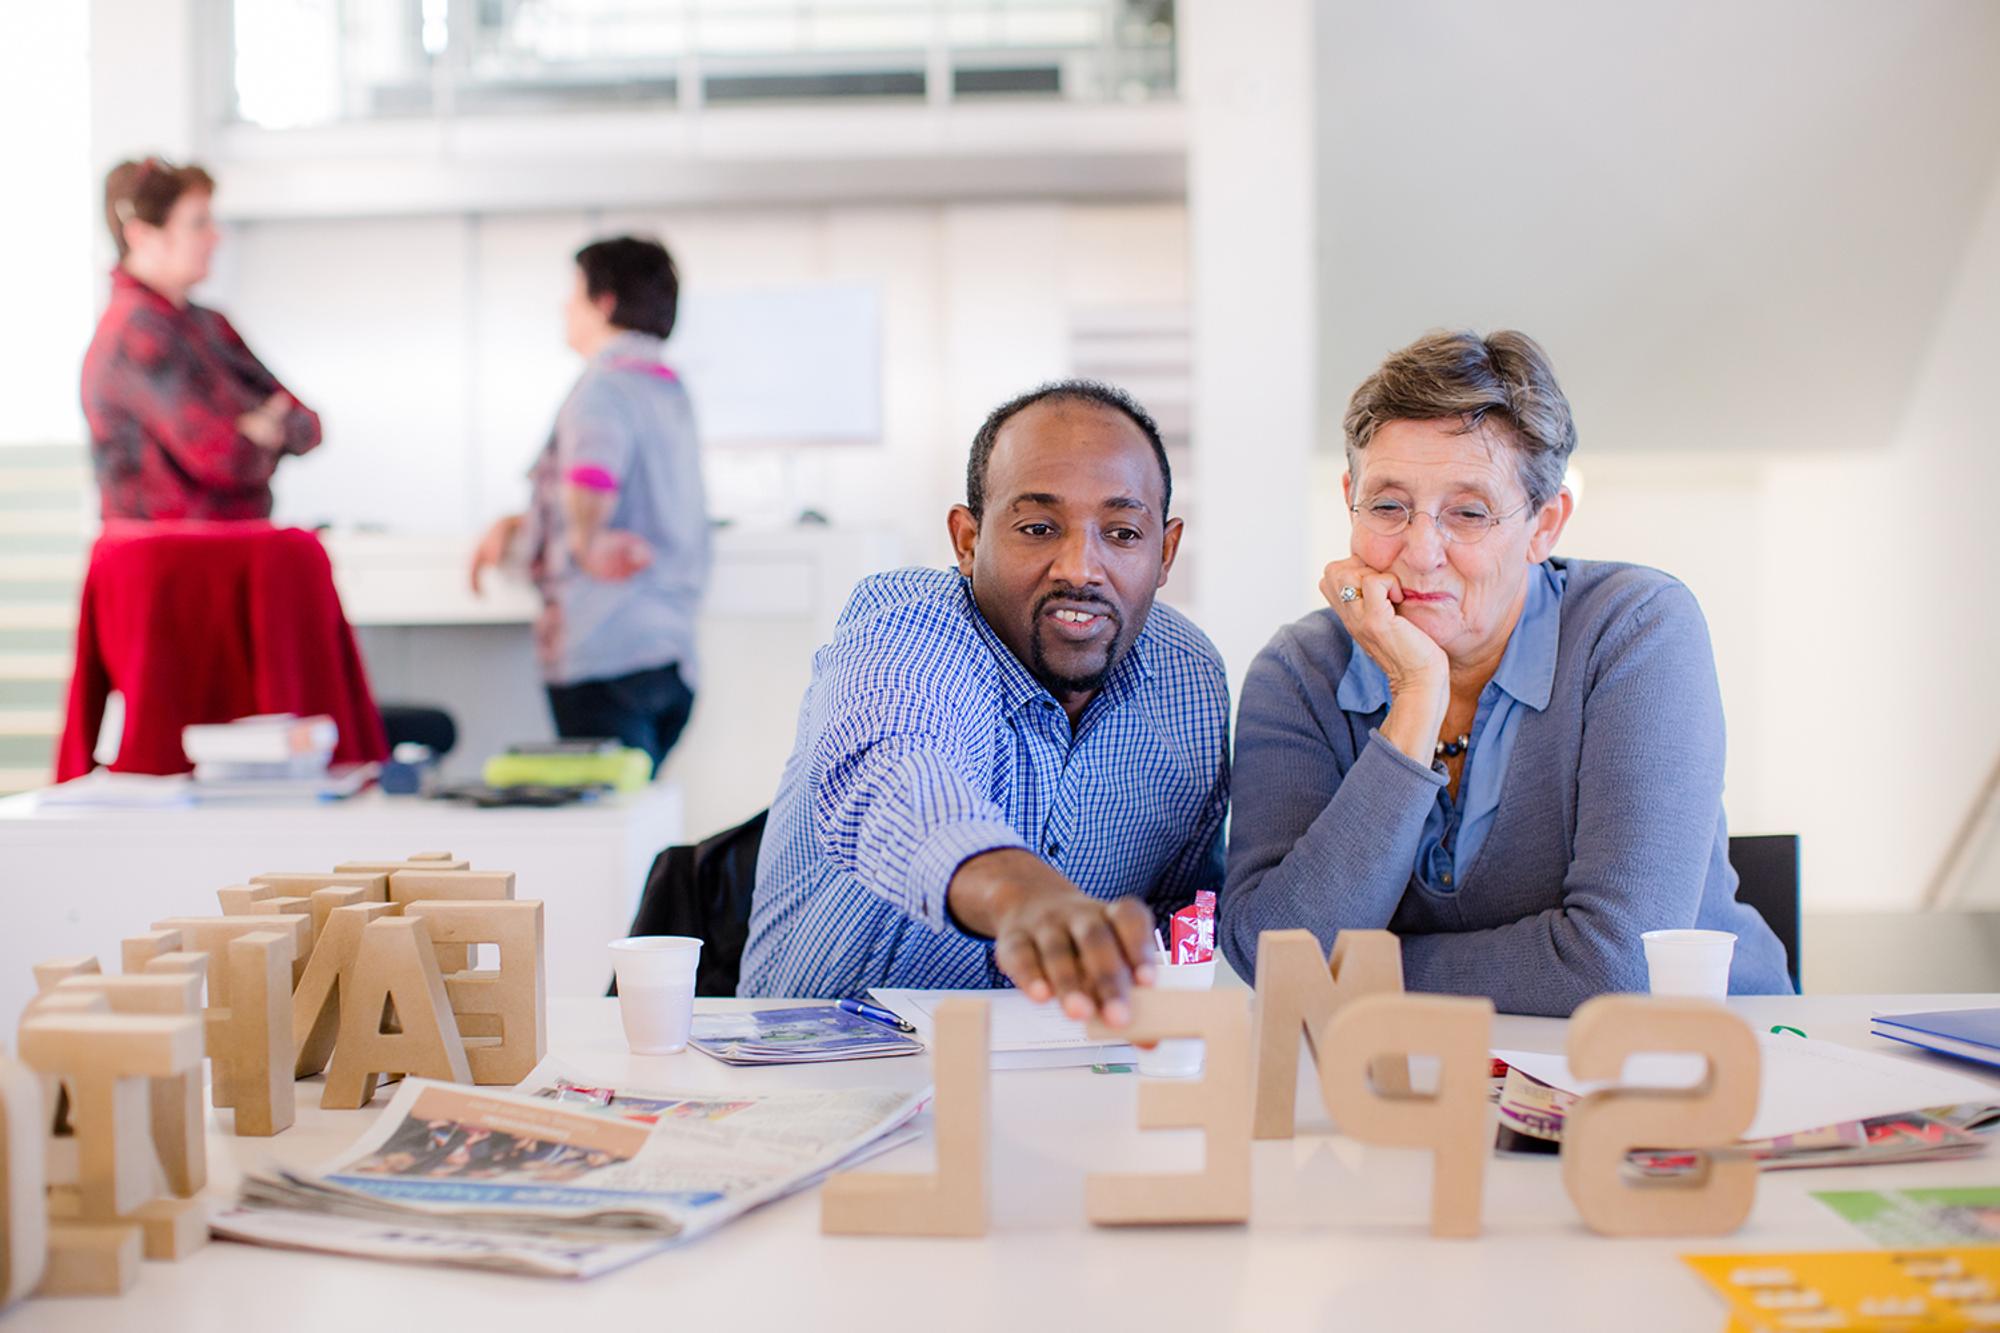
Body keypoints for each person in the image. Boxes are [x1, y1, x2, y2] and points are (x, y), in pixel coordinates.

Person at [1220, 330, 1791, 1016]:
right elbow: (1273, 955)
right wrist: (1416, 696)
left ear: (1546, 525)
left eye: (1468, 512)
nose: (1421, 550)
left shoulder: (1637, 629)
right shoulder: (1298, 673)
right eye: (1388, 505)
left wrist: (1353, 972)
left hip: (1707, 1064)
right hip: (1430, 1079)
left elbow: (1616, 967)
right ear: (1350, 498)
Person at [740, 381, 1230, 1023]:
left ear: (1165, 552)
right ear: (967, 540)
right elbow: (894, 773)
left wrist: (1178, 1022)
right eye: (1038, 528)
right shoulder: (909, 624)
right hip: (818, 1079)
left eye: (1122, 532)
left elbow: (1185, 907)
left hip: (1066, 1081)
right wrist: (1024, 896)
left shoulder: (1187, 678)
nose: (1080, 568)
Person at [471, 236, 711, 775]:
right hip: (669, 655)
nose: (564, 307)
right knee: (638, 818)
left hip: (606, 656)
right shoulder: (668, 387)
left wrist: (584, 540)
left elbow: (592, 475)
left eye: (573, 294)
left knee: (610, 835)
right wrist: (521, 521)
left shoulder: (604, 386)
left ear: (604, 303)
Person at [82, 157, 321, 520]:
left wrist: (259, 430)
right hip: (170, 562)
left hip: (229, 551)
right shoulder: (134, 334)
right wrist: (256, 422)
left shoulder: (212, 325)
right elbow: (227, 455)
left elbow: (308, 425)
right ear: (142, 236)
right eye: (198, 224)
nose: (216, 237)